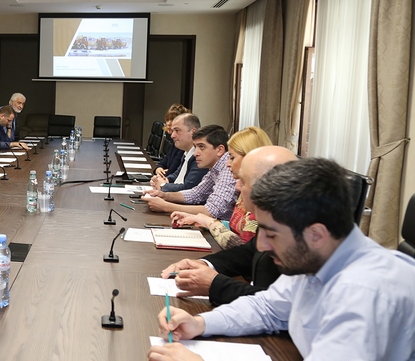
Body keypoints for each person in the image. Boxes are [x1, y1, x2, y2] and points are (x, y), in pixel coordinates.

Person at [152, 158, 415, 361]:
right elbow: (266, 308)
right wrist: (200, 323)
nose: (262, 245)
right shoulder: (319, 259)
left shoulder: (364, 292)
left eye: (272, 234)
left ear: (316, 234)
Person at [160, 145, 297, 305]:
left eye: (243, 181)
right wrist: (203, 264)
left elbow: (280, 305)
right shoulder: (272, 215)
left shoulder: (299, 228)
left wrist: (215, 285)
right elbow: (249, 252)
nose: (237, 187)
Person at [170, 126, 273, 249]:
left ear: (250, 159)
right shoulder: (244, 188)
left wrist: (210, 222)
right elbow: (235, 227)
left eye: (232, 158)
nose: (227, 163)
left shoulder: (262, 200)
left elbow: (244, 248)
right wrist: (199, 219)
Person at [143, 125, 238, 220]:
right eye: (195, 147)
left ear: (220, 150)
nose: (195, 153)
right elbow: (197, 193)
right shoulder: (216, 167)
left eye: (202, 147)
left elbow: (211, 211)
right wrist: (164, 195)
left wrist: (165, 206)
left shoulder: (228, 168)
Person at [149, 113, 205, 192]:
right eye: (173, 131)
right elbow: (177, 175)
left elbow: (188, 189)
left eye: (177, 130)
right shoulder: (186, 152)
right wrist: (163, 180)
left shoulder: (200, 157)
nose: (172, 135)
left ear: (193, 132)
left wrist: (163, 185)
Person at [153, 103, 190, 180]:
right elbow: (165, 160)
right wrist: (158, 168)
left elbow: (173, 171)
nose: (168, 123)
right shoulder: (174, 142)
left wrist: (165, 174)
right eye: (167, 120)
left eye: (172, 120)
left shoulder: (182, 145)